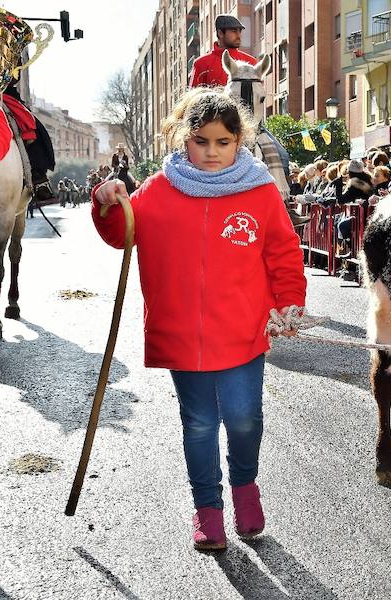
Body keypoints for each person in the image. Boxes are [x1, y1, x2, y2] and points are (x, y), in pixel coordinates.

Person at [91, 88, 307, 551]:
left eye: (223, 142)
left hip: (244, 333)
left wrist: (289, 302)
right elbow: (121, 233)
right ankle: (207, 509)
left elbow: (285, 252)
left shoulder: (259, 191)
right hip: (183, 335)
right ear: (182, 139)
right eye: (201, 141)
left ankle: (245, 488)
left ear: (239, 141)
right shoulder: (159, 189)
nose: (212, 152)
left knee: (245, 418)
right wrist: (106, 201)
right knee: (201, 424)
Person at [190, 14, 255, 87]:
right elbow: (194, 96)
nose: (238, 35)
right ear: (220, 33)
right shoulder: (201, 63)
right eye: (234, 31)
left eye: (240, 31)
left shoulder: (251, 62)